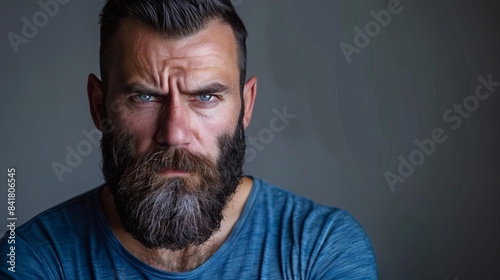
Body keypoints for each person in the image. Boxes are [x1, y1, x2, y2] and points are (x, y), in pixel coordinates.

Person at [0, 0, 378, 278]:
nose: (175, 133)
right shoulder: (32, 259)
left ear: (246, 106)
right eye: (145, 96)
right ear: (99, 105)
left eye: (206, 96)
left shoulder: (322, 249)